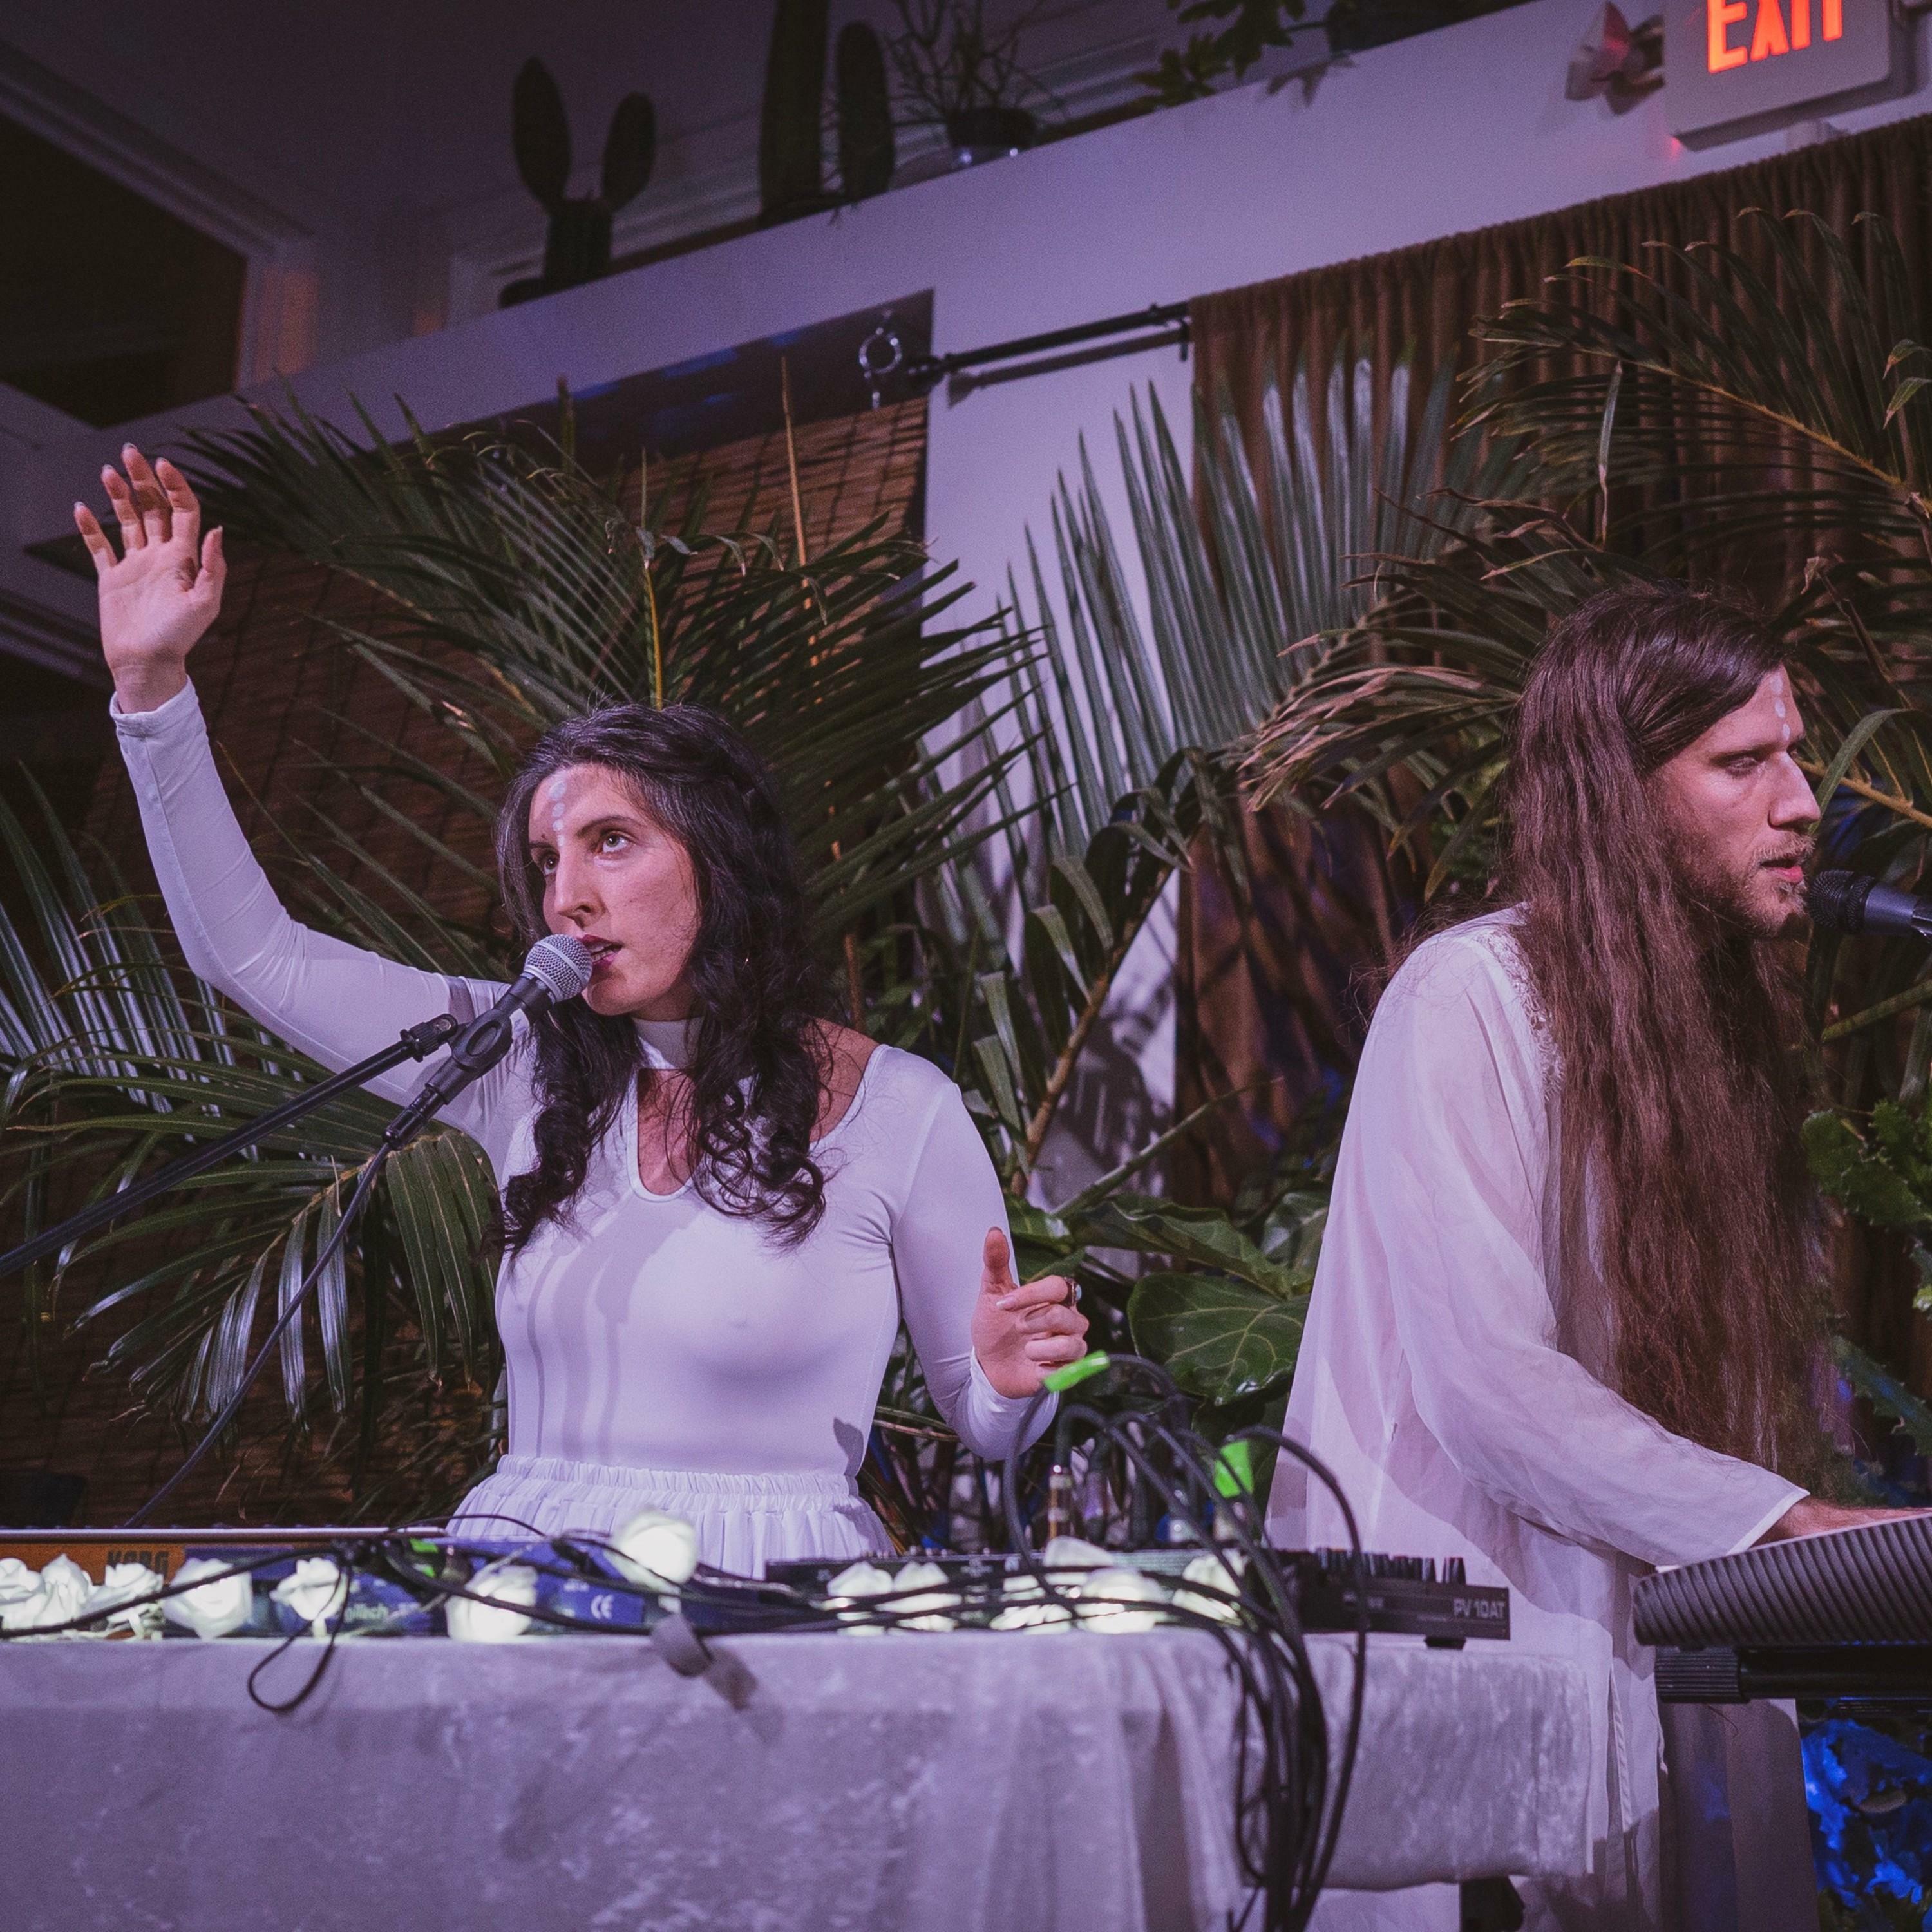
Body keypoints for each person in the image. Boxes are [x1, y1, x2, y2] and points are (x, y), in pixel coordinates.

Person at [76, 446, 1088, 1572]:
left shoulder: (903, 1108)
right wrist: (151, 691)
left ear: (721, 860)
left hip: (776, 1589)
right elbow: (253, 954)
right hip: (523, 1575)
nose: (567, 895)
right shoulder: (515, 1060)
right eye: (547, 859)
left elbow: (989, 1422)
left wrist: (1012, 1384)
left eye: (612, 842)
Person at [1269, 585, 1922, 1931]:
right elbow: (1487, 1383)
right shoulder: (1470, 995)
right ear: (1619, 794)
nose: (1804, 803)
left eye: (1797, 757)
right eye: (1744, 763)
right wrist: (1784, 1526)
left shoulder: (1717, 1030)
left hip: (1674, 1645)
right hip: (1481, 1651)